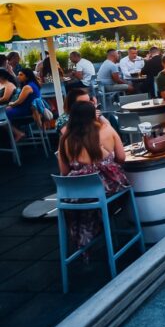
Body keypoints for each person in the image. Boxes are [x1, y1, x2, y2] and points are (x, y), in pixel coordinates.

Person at [57, 100, 128, 258]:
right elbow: (122, 158)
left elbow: (63, 171)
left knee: (92, 198)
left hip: (74, 196)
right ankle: (111, 225)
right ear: (92, 115)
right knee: (125, 189)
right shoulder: (106, 131)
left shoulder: (65, 139)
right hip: (104, 192)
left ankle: (88, 238)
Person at [6, 68, 43, 141]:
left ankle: (18, 133)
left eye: (21, 75)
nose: (18, 76)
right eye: (18, 74)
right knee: (5, 112)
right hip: (31, 110)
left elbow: (19, 101)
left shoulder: (27, 87)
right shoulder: (34, 84)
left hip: (26, 111)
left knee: (2, 115)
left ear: (27, 76)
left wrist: (11, 104)